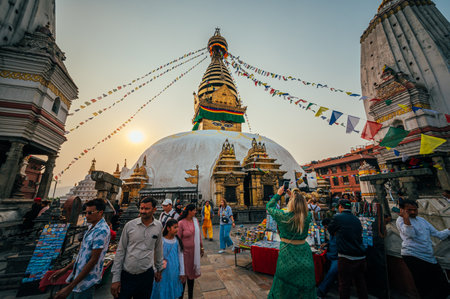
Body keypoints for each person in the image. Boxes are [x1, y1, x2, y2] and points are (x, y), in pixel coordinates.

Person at [50, 199, 110, 299]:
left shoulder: (101, 231)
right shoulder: (91, 227)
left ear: (100, 213)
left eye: (90, 213)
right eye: (85, 213)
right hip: (77, 278)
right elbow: (83, 255)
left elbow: (93, 260)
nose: (86, 216)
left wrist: (70, 287)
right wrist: (65, 269)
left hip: (86, 281)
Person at [266, 187, 315, 299]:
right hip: (305, 254)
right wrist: (294, 196)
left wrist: (278, 194)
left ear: (291, 203)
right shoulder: (307, 216)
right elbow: (302, 206)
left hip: (287, 255)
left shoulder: (283, 216)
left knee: (284, 289)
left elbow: (269, 206)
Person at [111, 197, 164, 299]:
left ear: (154, 210)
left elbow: (158, 249)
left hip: (146, 274)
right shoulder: (129, 226)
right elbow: (121, 251)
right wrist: (115, 278)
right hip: (127, 274)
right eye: (141, 208)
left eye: (147, 209)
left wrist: (159, 269)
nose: (143, 211)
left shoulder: (158, 226)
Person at [397, 199, 450, 299]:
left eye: (415, 210)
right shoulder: (400, 221)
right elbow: (410, 234)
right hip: (413, 255)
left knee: (442, 283)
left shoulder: (421, 220)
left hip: (428, 255)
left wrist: (448, 230)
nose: (413, 212)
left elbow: (438, 234)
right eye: (409, 210)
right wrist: (405, 218)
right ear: (402, 210)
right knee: (424, 285)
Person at [328, 199, 367, 299]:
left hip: (346, 257)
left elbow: (330, 230)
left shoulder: (338, 217)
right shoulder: (356, 219)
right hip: (360, 256)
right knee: (360, 283)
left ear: (340, 206)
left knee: (344, 285)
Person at [151, 219, 185, 299]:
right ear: (168, 228)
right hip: (163, 271)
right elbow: (155, 255)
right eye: (175, 227)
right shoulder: (161, 241)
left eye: (177, 227)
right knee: (162, 289)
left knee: (172, 289)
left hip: (174, 270)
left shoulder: (177, 241)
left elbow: (181, 256)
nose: (177, 229)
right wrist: (155, 270)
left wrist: (182, 272)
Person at [177, 204, 204, 299]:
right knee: (183, 277)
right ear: (189, 211)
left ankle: (190, 296)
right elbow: (178, 240)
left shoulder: (195, 221)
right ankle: (180, 296)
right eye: (194, 210)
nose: (196, 212)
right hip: (184, 254)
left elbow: (199, 235)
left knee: (192, 277)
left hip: (194, 253)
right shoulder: (181, 223)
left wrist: (201, 247)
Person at [317, 218, 338, 298]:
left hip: (337, 258)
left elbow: (336, 248)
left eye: (326, 227)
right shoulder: (333, 233)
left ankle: (321, 292)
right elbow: (332, 243)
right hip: (331, 255)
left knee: (331, 272)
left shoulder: (337, 233)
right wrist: (327, 244)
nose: (325, 229)